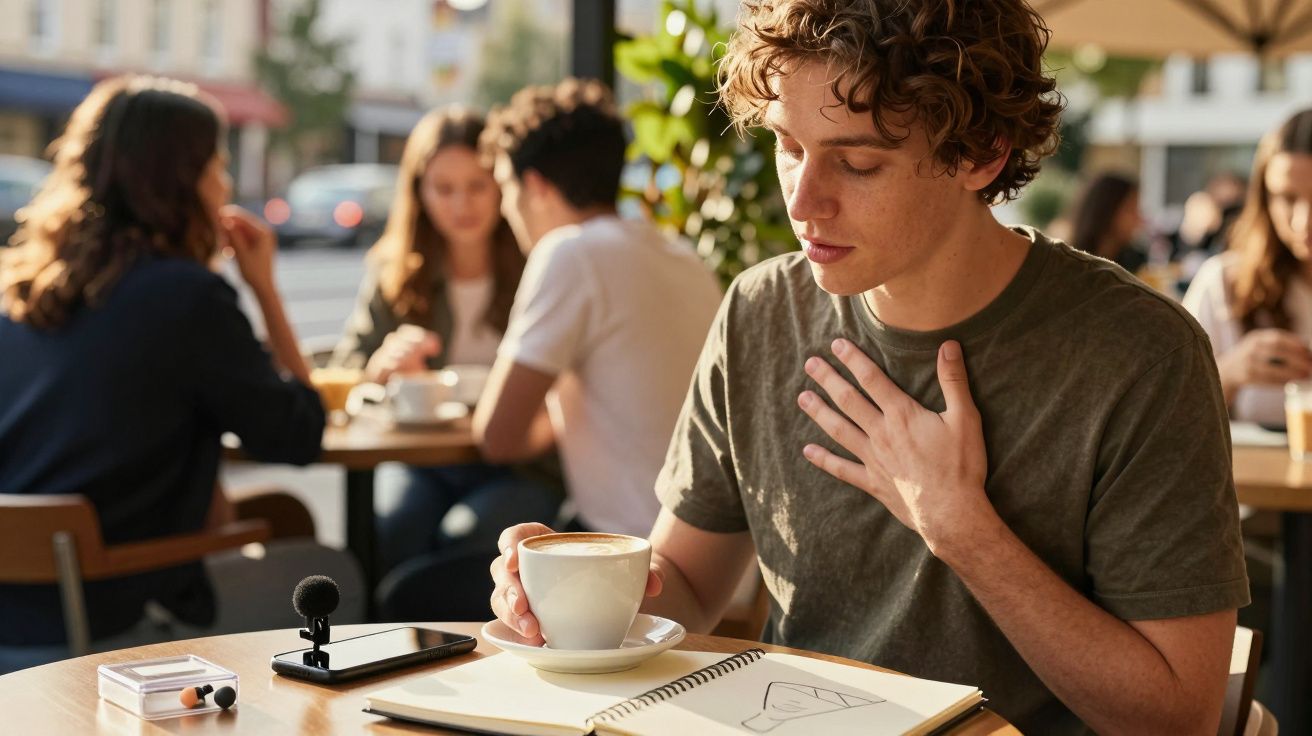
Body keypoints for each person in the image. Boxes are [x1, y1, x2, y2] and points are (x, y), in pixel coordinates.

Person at [489, 3, 1249, 733]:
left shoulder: (1139, 353)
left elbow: (1177, 718)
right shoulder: (762, 313)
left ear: (980, 155)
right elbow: (686, 589)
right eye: (788, 146)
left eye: (856, 163)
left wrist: (963, 530)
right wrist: (576, 596)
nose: (804, 200)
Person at [0, 76, 356, 671]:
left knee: (282, 522)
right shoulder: (186, 297)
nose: (226, 184)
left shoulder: (22, 292)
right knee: (335, 574)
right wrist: (264, 288)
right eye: (216, 165)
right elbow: (298, 434)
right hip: (112, 623)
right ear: (180, 181)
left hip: (12, 624)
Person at [474, 79, 723, 537]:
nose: (508, 210)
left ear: (537, 186)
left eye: (507, 189)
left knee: (405, 592)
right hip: (717, 563)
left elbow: (498, 437)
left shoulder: (570, 253)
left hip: (633, 559)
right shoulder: (681, 256)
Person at [329, 108, 564, 584]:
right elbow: (345, 371)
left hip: (520, 465)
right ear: (418, 191)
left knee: (466, 544)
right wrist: (380, 366)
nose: (462, 205)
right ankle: (381, 653)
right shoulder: (395, 270)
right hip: (424, 463)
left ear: (503, 183)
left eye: (477, 186)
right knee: (389, 532)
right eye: (444, 188)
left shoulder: (538, 264)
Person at [1183, 109, 1312, 426]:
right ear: (1264, 198)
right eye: (1287, 197)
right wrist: (1229, 373)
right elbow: (1166, 416)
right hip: (1254, 475)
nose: (1303, 221)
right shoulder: (1224, 283)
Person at [1063, 172, 1149, 273]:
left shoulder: (1137, 263)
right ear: (1107, 211)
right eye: (1131, 210)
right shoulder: (1068, 262)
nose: (1139, 219)